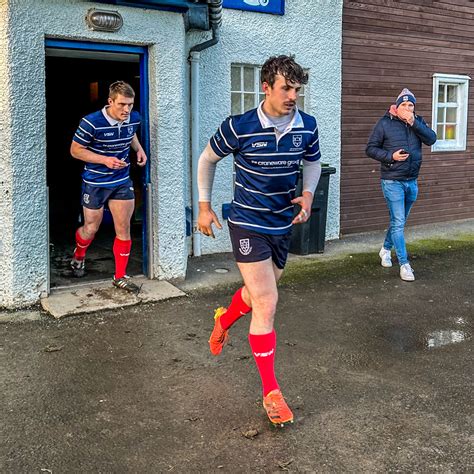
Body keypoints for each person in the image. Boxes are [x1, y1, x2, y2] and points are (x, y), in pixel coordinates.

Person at [197, 55, 322, 426]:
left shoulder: (308, 126)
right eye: (286, 88)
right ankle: (271, 393)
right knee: (267, 301)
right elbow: (207, 159)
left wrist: (310, 195)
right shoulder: (240, 127)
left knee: (254, 296)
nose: (292, 96)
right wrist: (204, 207)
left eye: (297, 89)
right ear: (265, 87)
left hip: (282, 224)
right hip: (247, 223)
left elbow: (313, 162)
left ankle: (224, 319)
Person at [69, 81, 147, 293]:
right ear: (110, 101)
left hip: (121, 180)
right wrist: (104, 160)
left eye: (130, 104)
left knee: (124, 228)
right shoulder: (91, 122)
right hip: (95, 182)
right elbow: (75, 150)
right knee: (91, 228)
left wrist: (138, 149)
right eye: (122, 104)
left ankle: (120, 276)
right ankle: (79, 255)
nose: (126, 109)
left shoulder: (134, 117)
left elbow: (131, 133)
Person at [366, 88, 436, 281]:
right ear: (396, 107)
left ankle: (385, 249)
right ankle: (405, 264)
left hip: (412, 180)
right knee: (398, 223)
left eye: (410, 105)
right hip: (392, 181)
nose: (407, 108)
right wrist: (391, 157)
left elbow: (431, 139)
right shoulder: (384, 123)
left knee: (399, 222)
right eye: (403, 105)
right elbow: (370, 149)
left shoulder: (418, 122)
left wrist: (414, 122)